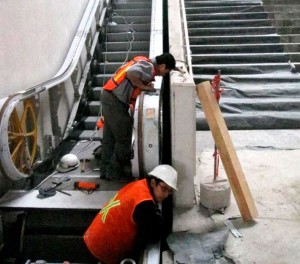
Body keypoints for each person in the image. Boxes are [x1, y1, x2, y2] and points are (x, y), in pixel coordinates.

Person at [99, 53, 176, 180]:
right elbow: (131, 73)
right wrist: (144, 86)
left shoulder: (143, 61)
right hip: (115, 101)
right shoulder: (149, 67)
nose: (164, 74)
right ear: (162, 66)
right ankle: (116, 173)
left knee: (110, 138)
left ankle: (105, 171)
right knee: (124, 137)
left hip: (110, 96)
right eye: (166, 71)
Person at [83, 164, 178, 264]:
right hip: (101, 246)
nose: (166, 195)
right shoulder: (144, 203)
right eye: (164, 189)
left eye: (170, 191)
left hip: (93, 235)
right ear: (153, 183)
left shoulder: (140, 185)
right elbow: (152, 236)